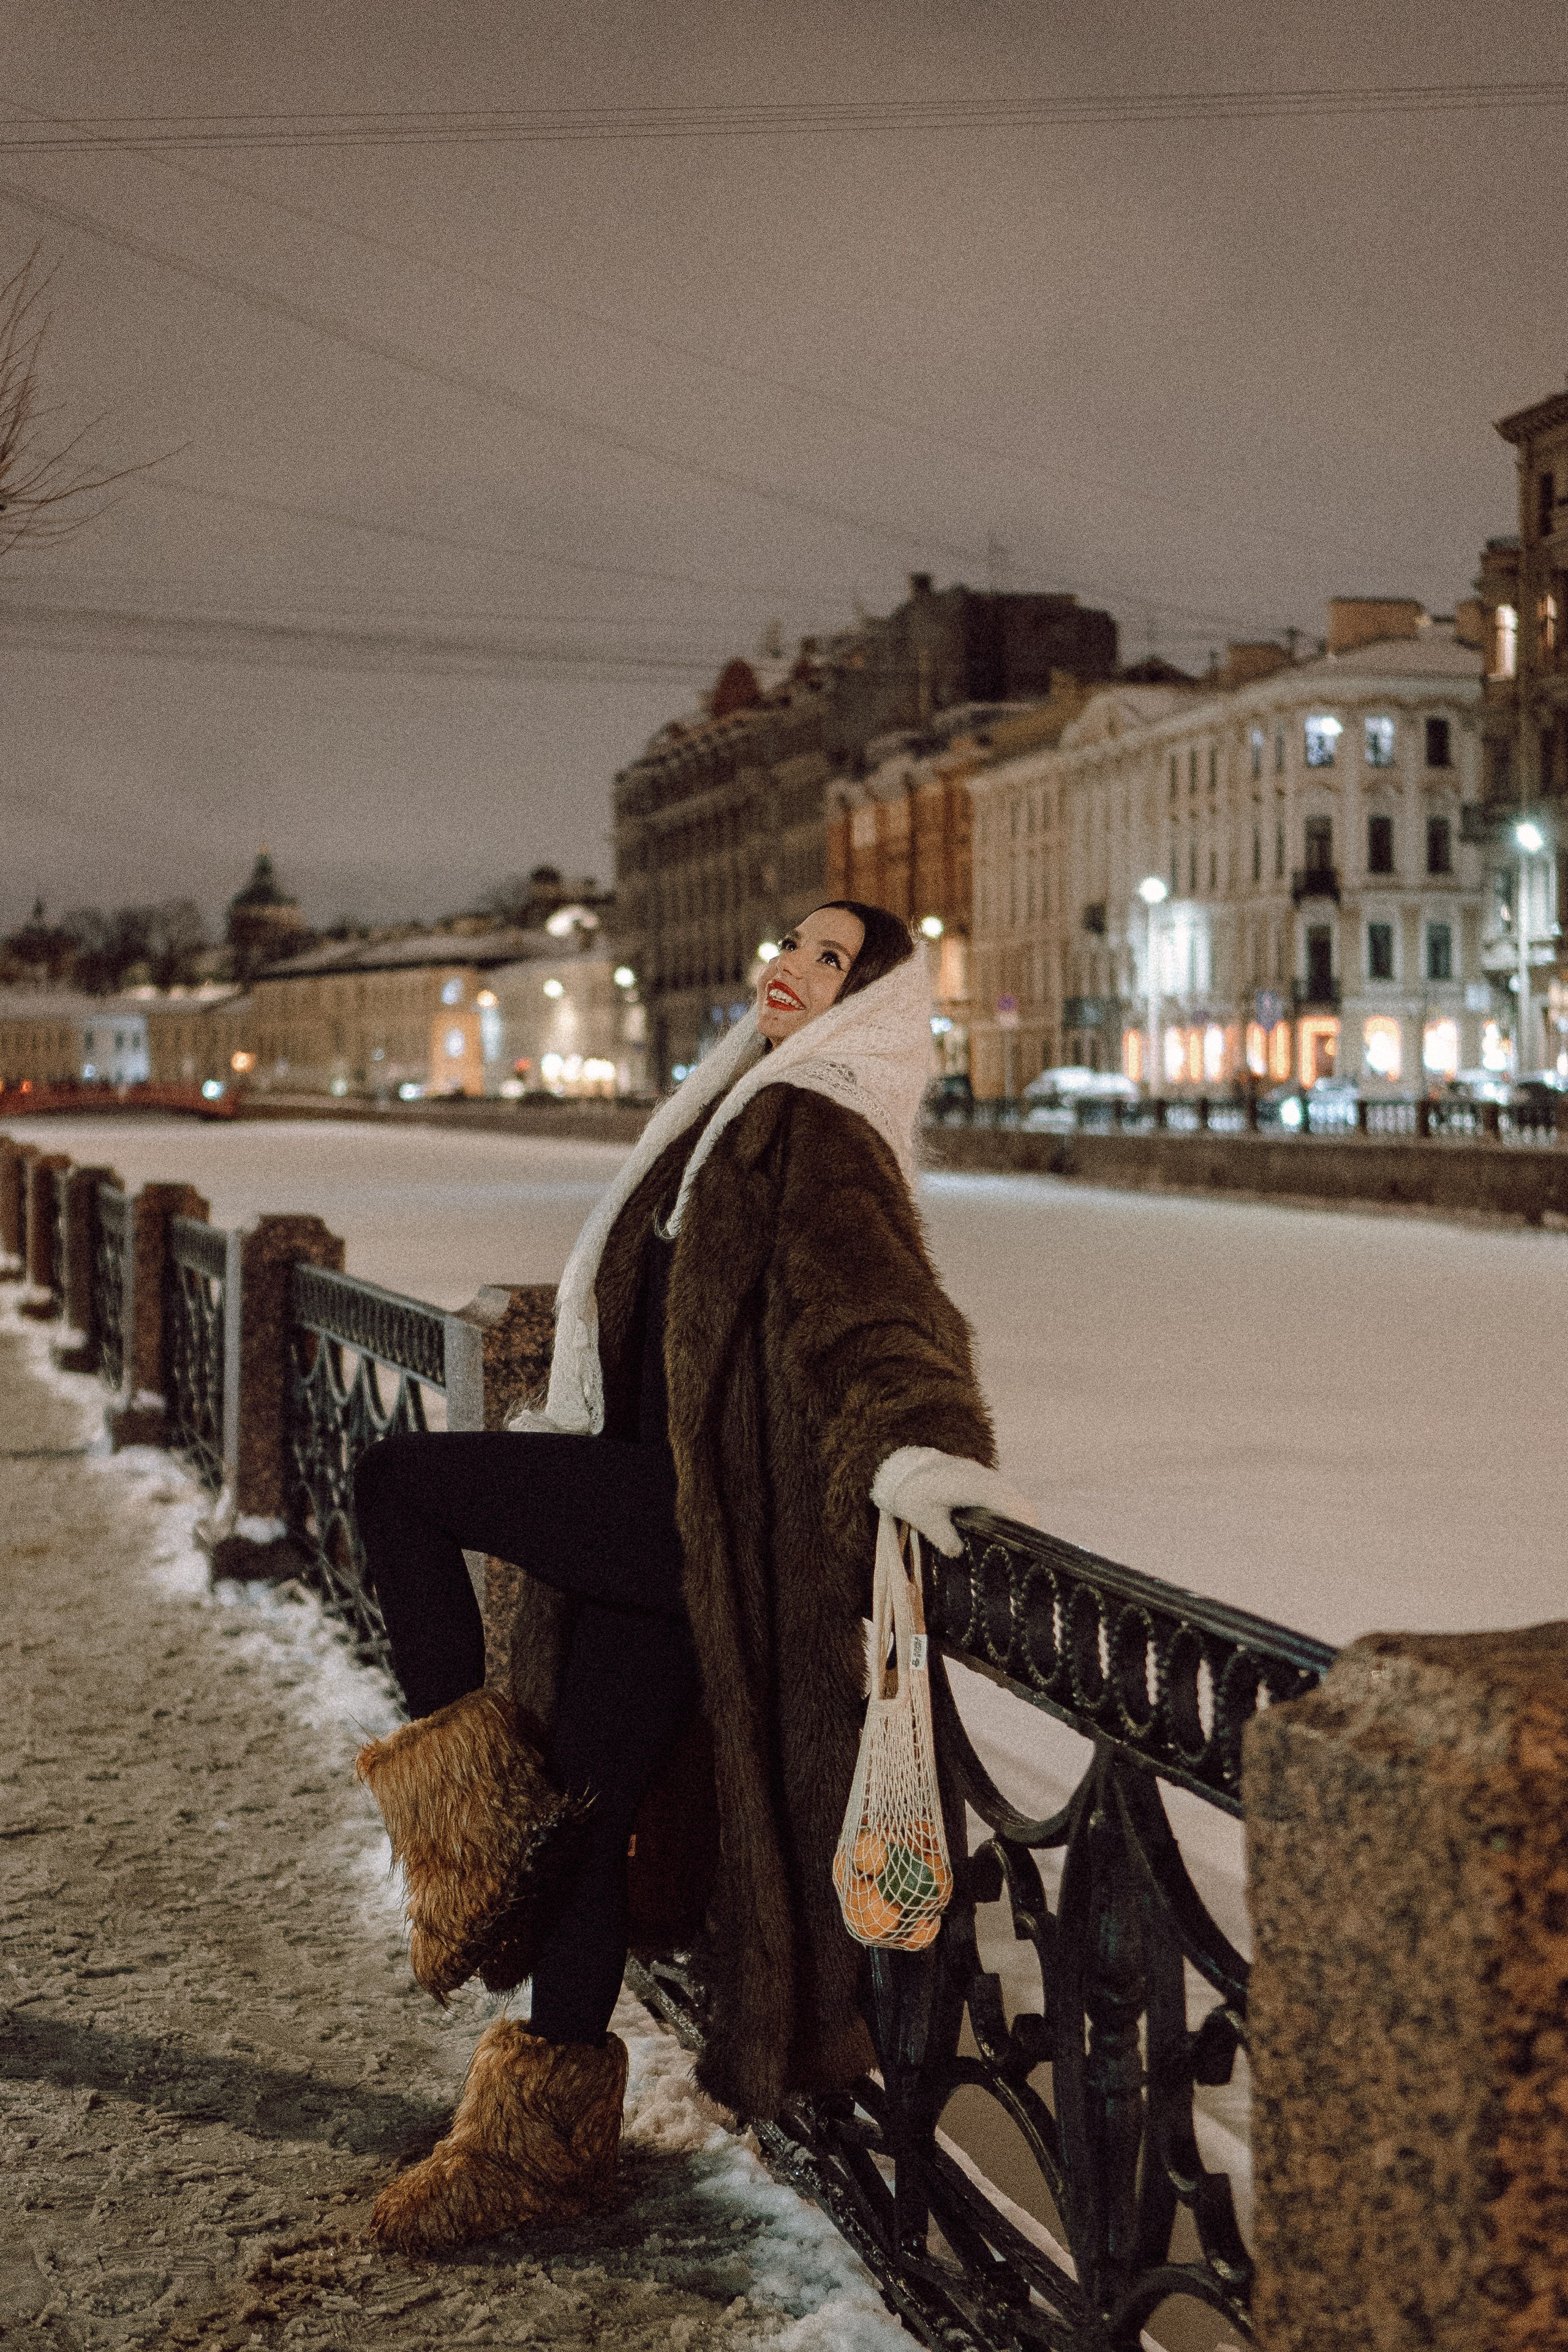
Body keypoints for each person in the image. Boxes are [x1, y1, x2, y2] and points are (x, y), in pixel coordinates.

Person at [351, 901, 1033, 2253]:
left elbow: (878, 1315)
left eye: (831, 960)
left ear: (872, 1005)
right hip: (655, 1513)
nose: (790, 964)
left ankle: (466, 1816)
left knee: (398, 1482)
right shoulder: (734, 1104)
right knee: (591, 1824)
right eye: (791, 942)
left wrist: (926, 1452)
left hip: (693, 1526)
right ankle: (531, 2150)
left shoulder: (815, 1125)